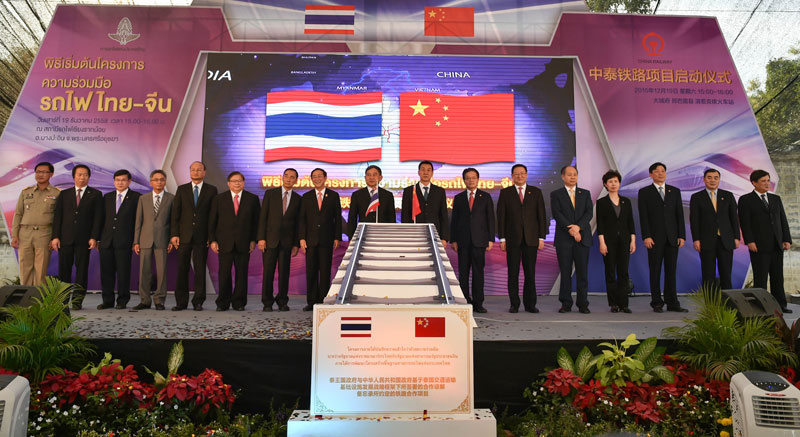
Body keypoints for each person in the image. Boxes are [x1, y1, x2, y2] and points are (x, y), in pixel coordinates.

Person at [738, 169, 792, 313]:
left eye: (768, 180)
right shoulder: (745, 200)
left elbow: (782, 220)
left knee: (777, 278)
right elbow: (745, 223)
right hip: (759, 246)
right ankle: (761, 306)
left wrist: (786, 239)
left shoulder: (775, 199)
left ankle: (780, 306)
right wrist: (750, 241)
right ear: (754, 183)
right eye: (763, 181)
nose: (767, 183)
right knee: (760, 278)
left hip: (776, 244)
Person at [496, 164, 547, 313]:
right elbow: (501, 217)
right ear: (512, 176)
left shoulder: (535, 192)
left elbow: (541, 216)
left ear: (526, 175)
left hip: (531, 239)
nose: (520, 176)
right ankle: (514, 304)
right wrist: (502, 239)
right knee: (513, 273)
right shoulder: (506, 193)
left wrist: (541, 237)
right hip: (512, 240)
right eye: (516, 174)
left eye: (522, 173)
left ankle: (530, 304)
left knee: (530, 273)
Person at [638, 162, 688, 313]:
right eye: (657, 171)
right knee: (655, 271)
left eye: (663, 171)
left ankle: (672, 302)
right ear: (651, 174)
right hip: (654, 238)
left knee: (671, 271)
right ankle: (657, 302)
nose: (660, 173)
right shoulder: (645, 192)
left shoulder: (674, 191)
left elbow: (680, 215)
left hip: (673, 238)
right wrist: (646, 236)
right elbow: (643, 216)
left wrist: (681, 235)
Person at [51, 164, 103, 310]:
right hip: (65, 239)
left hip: (84, 240)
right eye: (79, 174)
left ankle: (77, 301)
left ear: (89, 177)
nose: (82, 177)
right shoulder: (64, 194)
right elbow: (58, 217)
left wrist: (94, 237)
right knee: (64, 271)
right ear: (74, 176)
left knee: (82, 271)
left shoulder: (96, 194)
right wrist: (55, 237)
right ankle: (63, 300)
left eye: (85, 175)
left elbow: (98, 218)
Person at [170, 161, 218, 311]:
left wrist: (211, 236)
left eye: (199, 170)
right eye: (193, 169)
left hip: (202, 237)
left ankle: (198, 301)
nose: (196, 172)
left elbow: (213, 216)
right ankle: (181, 302)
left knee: (200, 270)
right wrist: (174, 234)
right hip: (183, 236)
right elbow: (175, 214)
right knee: (182, 269)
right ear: (189, 171)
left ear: (204, 172)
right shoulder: (182, 189)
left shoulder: (211, 190)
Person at [209, 171, 260, 311]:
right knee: (224, 274)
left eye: (239, 181)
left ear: (243, 183)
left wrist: (253, 240)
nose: (237, 183)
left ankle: (239, 303)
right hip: (224, 243)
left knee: (241, 274)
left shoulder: (252, 199)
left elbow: (257, 222)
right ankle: (223, 303)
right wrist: (213, 240)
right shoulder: (219, 199)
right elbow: (212, 221)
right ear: (228, 183)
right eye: (234, 181)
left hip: (244, 243)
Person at [449, 168, 494, 313]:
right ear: (464, 180)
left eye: (473, 178)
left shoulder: (485, 197)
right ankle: (464, 300)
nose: (471, 180)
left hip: (480, 241)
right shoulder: (459, 198)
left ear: (478, 179)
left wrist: (491, 239)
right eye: (468, 178)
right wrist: (453, 239)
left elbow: (491, 219)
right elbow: (454, 220)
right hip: (462, 242)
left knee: (478, 273)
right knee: (463, 273)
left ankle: (478, 302)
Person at [257, 168, 302, 312]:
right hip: (270, 241)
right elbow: (263, 217)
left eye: (292, 177)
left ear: (296, 180)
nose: (289, 179)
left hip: (287, 243)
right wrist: (261, 238)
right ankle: (267, 302)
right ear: (282, 177)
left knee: (284, 273)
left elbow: (297, 224)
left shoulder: (297, 198)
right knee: (268, 272)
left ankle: (282, 301)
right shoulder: (270, 193)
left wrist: (295, 244)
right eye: (286, 176)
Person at [689, 168, 740, 290]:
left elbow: (734, 218)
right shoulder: (697, 197)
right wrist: (696, 239)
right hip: (706, 241)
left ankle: (728, 305)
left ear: (719, 180)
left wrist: (736, 237)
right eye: (709, 177)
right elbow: (694, 220)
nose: (713, 180)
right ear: (704, 179)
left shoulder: (727, 196)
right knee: (708, 274)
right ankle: (710, 305)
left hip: (726, 240)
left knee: (726, 274)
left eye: (716, 178)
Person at [551, 165, 593, 314]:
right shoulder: (556, 194)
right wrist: (571, 228)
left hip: (582, 238)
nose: (572, 177)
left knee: (582, 273)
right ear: (563, 177)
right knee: (565, 272)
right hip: (564, 239)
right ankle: (566, 303)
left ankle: (583, 304)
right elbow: (557, 214)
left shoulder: (585, 193)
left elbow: (589, 213)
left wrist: (578, 228)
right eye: (569, 175)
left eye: (575, 174)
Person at [299, 168, 342, 311]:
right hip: (310, 240)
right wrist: (302, 238)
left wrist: (337, 237)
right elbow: (302, 220)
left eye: (319, 176)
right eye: (314, 177)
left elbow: (338, 218)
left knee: (325, 271)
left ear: (325, 178)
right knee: (311, 271)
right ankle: (311, 301)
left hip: (327, 239)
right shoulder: (306, 196)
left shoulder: (334, 196)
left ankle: (324, 299)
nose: (317, 179)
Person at [97, 170, 141, 309]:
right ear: (114, 181)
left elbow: (138, 221)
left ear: (129, 181)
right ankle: (107, 300)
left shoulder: (136, 197)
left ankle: (122, 301)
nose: (120, 182)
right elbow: (101, 220)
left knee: (123, 273)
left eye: (123, 180)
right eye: (117, 180)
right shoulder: (107, 197)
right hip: (106, 241)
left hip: (125, 241)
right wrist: (99, 239)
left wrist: (135, 240)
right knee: (106, 273)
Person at [11, 161, 59, 286]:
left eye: (44, 172)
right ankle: (25, 299)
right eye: (38, 172)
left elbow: (59, 218)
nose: (40, 175)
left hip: (44, 233)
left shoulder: (57, 193)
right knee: (24, 267)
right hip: (25, 233)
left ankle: (38, 299)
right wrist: (15, 235)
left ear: (51, 174)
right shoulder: (26, 192)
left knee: (40, 268)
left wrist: (55, 237)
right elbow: (18, 214)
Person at [133, 170, 174, 310]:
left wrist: (170, 240)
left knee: (162, 272)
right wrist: (136, 241)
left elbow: (173, 222)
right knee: (144, 271)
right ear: (151, 182)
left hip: (163, 239)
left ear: (165, 181)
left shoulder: (171, 198)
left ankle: (159, 300)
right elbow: (138, 221)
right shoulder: (142, 199)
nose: (159, 182)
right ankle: (144, 300)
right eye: (156, 180)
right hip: (145, 239)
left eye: (162, 179)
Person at [596, 170, 636, 313]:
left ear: (619, 183)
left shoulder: (626, 201)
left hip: (625, 241)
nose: (613, 184)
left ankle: (624, 303)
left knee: (623, 272)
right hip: (608, 241)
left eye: (616, 181)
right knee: (610, 272)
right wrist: (602, 242)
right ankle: (613, 303)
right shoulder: (601, 202)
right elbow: (600, 224)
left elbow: (631, 222)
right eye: (610, 182)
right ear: (605, 185)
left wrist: (633, 240)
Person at [401, 161, 450, 244]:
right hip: (414, 234)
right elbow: (405, 215)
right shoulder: (409, 191)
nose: (425, 173)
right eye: (423, 170)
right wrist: (406, 235)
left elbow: (443, 215)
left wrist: (444, 238)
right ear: (418, 172)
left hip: (435, 233)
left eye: (428, 170)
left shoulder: (440, 191)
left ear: (432, 173)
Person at [347, 165, 395, 238]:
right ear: (365, 178)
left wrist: (391, 235)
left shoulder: (388, 195)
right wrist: (351, 237)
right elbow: (352, 218)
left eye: (375, 175)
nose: (371, 177)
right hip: (363, 234)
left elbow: (391, 218)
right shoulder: (357, 195)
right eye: (369, 175)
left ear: (380, 178)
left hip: (383, 235)